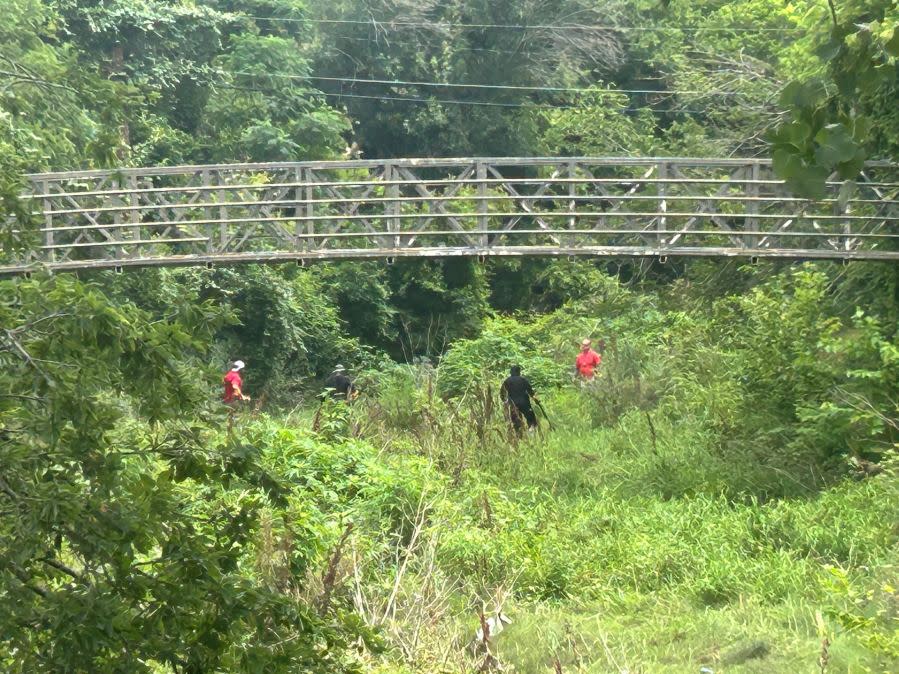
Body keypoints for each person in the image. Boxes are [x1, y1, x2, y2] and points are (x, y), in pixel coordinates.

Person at [500, 365, 539, 434]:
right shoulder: (523, 380)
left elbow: (502, 393)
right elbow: (531, 392)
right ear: (519, 372)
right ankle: (531, 431)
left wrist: (505, 401)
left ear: (511, 372)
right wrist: (536, 400)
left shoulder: (507, 381)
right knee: (531, 419)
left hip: (513, 404)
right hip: (525, 403)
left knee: (516, 422)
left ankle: (519, 436)